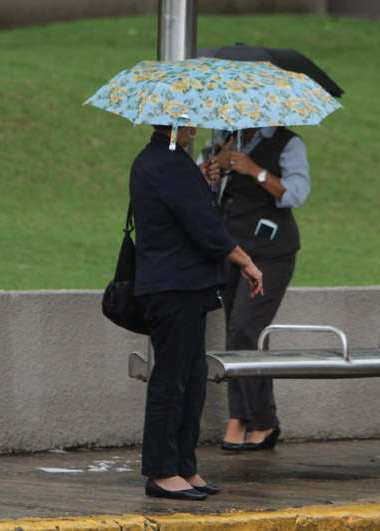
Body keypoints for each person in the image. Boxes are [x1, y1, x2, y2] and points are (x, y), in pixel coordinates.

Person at [130, 124, 264, 500]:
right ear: (170, 124)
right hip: (174, 287)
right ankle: (161, 471)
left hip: (182, 286)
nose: (193, 126)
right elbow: (205, 228)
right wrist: (246, 261)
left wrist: (199, 180)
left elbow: (186, 211)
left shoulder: (165, 161)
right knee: (172, 380)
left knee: (189, 378)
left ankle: (183, 466)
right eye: (186, 120)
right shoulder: (168, 163)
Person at [205, 126, 311, 451]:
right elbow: (198, 186)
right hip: (232, 249)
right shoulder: (222, 138)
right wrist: (212, 168)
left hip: (271, 252)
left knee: (245, 328)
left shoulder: (287, 143)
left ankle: (253, 419)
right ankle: (255, 417)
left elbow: (297, 193)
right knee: (238, 330)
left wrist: (254, 171)